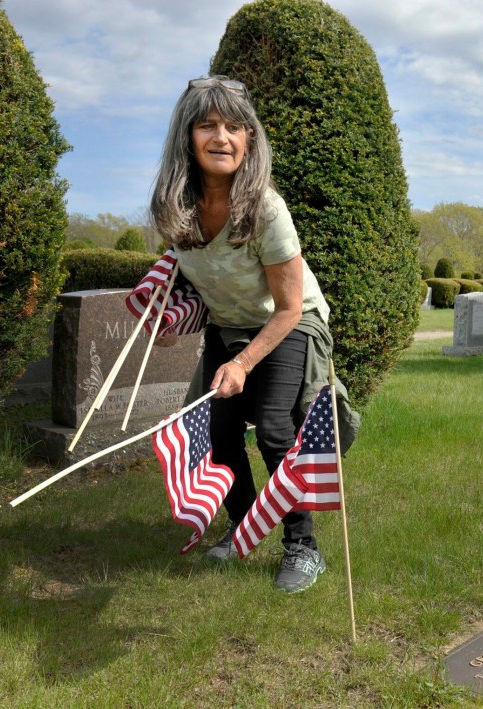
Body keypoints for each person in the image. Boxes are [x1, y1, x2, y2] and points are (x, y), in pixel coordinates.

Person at [149, 75, 337, 593]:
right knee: (219, 436)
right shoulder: (175, 207)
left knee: (276, 429)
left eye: (235, 127)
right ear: (187, 137)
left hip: (289, 322)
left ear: (250, 139)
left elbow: (289, 307)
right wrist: (166, 320)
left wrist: (243, 364)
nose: (222, 138)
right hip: (227, 326)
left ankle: (304, 547)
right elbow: (184, 274)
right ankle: (246, 526)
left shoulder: (266, 209)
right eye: (208, 125)